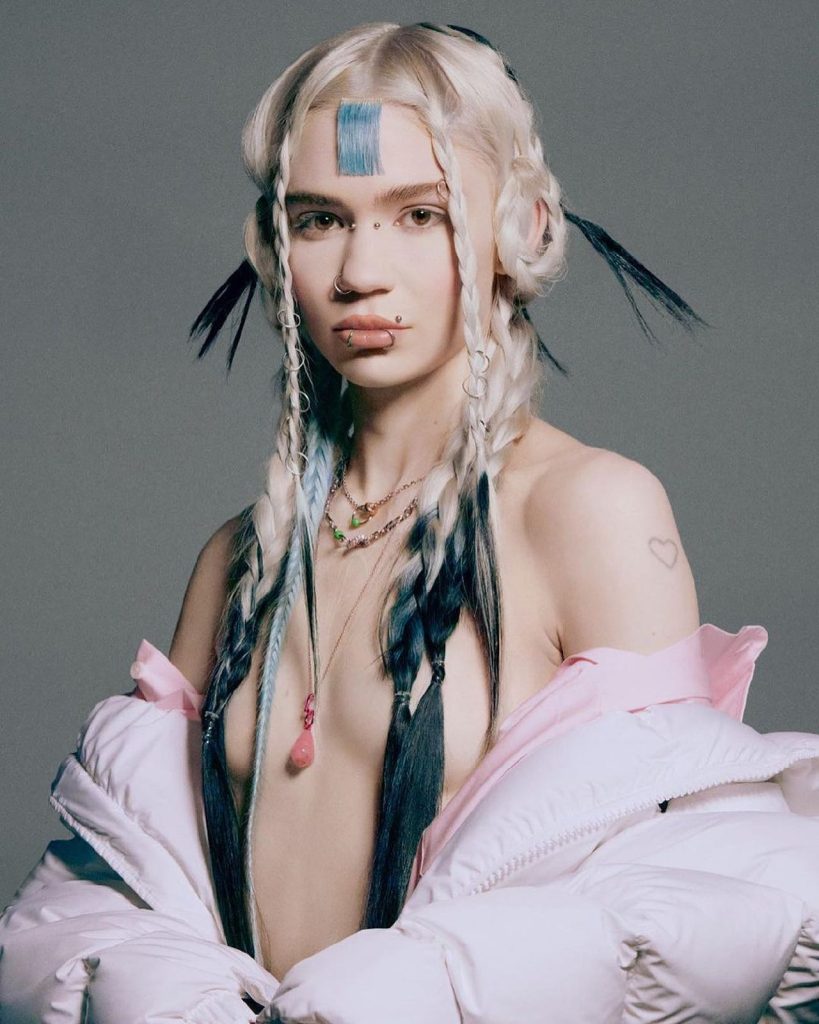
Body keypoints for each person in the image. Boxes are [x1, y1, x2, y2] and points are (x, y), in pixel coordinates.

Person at [2, 21, 818, 1023]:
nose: (360, 271)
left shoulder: (587, 511)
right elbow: (119, 875)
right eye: (319, 219)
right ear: (275, 245)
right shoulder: (239, 559)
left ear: (519, 228)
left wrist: (427, 990)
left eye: (420, 215)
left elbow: (688, 898)